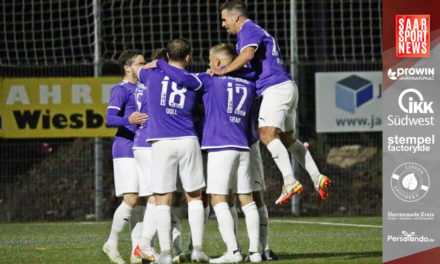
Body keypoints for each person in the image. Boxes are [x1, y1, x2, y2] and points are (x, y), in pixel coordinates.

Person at [208, 1, 331, 205]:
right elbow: (255, 68)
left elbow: (247, 55)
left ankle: (290, 181)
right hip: (286, 87)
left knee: (266, 134)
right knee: (287, 139)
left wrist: (223, 70)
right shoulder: (254, 32)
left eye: (224, 19)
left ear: (235, 17)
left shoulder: (247, 30)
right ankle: (317, 177)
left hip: (275, 89)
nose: (223, 24)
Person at [154, 43, 261, 263]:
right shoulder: (249, 84)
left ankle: (233, 252)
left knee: (217, 199)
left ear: (220, 62)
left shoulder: (210, 79)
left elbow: (183, 79)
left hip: (221, 145)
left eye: (212, 60)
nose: (209, 64)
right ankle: (255, 252)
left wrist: (160, 64)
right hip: (244, 145)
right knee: (246, 199)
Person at [135, 39, 209, 264]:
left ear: (167, 55)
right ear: (188, 57)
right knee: (194, 195)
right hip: (188, 139)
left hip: (161, 142)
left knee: (162, 198)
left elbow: (138, 70)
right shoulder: (194, 80)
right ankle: (196, 249)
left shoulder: (151, 75)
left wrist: (155, 63)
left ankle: (165, 254)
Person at [103, 50, 148, 264]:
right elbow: (110, 118)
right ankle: (111, 243)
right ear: (127, 67)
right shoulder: (121, 89)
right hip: (125, 147)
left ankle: (136, 251)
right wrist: (128, 119)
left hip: (142, 148)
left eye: (144, 63)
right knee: (130, 198)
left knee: (140, 201)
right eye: (139, 63)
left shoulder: (144, 88)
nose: (143, 66)